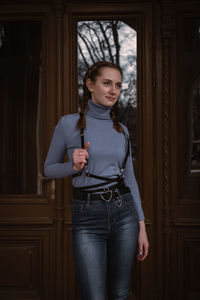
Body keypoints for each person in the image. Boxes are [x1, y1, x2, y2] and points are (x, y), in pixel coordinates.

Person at [44, 61, 149, 300]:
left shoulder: (122, 130)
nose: (114, 90)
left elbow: (130, 179)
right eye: (107, 83)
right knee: (93, 296)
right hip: (87, 216)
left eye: (119, 85)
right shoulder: (68, 124)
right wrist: (72, 166)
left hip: (124, 214)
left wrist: (141, 227)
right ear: (90, 84)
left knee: (120, 293)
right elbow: (48, 169)